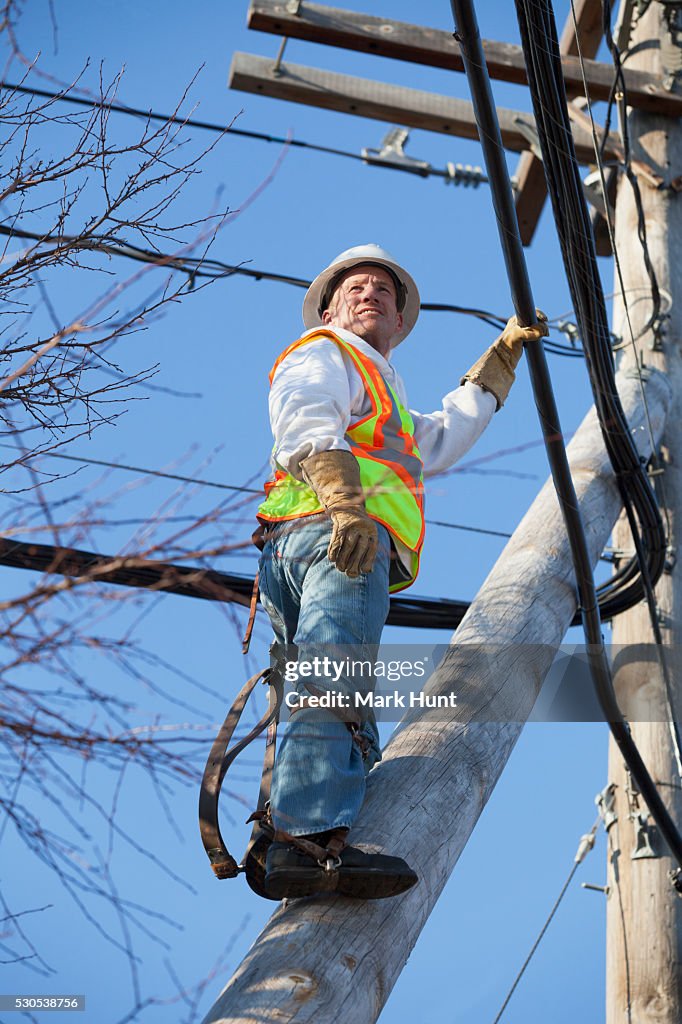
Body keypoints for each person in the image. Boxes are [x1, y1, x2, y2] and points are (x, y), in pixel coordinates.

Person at [255, 244, 548, 900]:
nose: (370, 295)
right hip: (334, 538)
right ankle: (306, 836)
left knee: (321, 679)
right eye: (355, 288)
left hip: (311, 542)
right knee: (336, 675)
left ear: (400, 321)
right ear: (328, 310)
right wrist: (347, 506)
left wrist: (501, 360)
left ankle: (289, 829)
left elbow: (442, 435)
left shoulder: (382, 395)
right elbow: (302, 422)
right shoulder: (326, 353)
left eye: (384, 292)